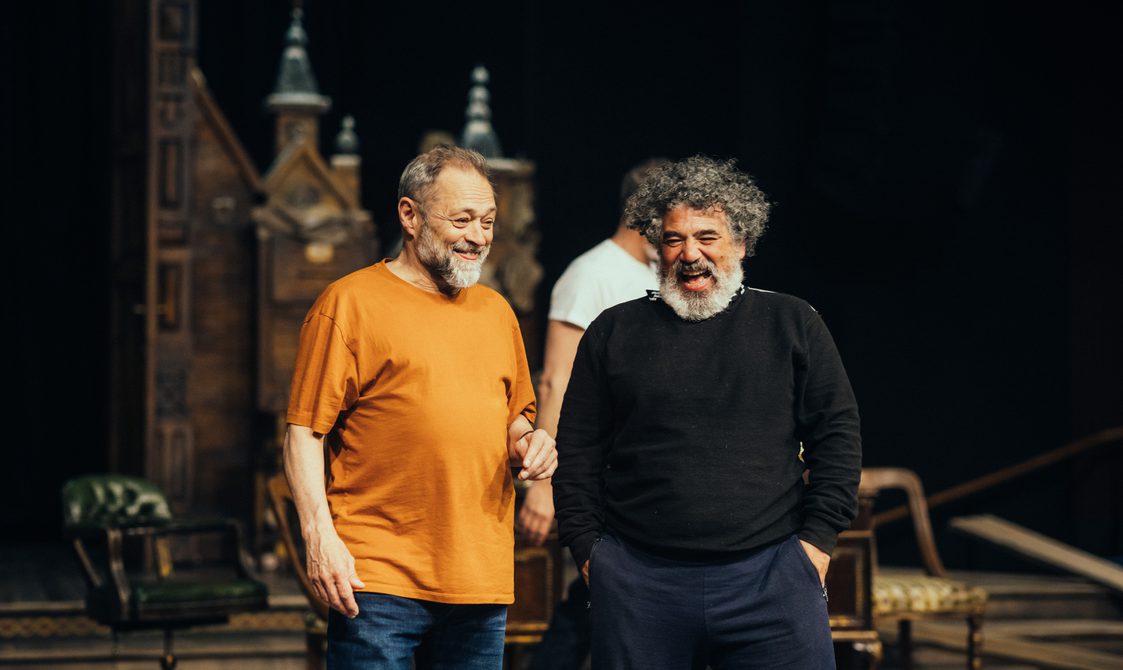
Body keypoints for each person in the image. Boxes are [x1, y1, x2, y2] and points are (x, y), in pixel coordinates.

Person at [553, 155, 862, 669]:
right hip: (639, 582)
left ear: (741, 243)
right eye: (674, 239)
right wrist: (591, 553)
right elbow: (579, 448)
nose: (690, 254)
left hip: (773, 578)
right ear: (657, 247)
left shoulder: (791, 322)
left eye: (707, 237)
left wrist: (816, 547)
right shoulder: (614, 331)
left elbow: (838, 434)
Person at [284, 145, 557, 670]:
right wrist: (318, 538)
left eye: (488, 221)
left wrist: (532, 443)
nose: (478, 236)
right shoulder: (350, 303)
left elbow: (512, 420)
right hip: (378, 578)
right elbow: (303, 434)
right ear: (409, 215)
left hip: (479, 579)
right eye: (462, 220)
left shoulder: (496, 312)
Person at [520, 160, 665, 669]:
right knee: (595, 601)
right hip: (600, 478)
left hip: (636, 477)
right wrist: (544, 484)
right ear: (642, 211)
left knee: (600, 606)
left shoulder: (657, 276)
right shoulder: (591, 275)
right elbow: (555, 379)